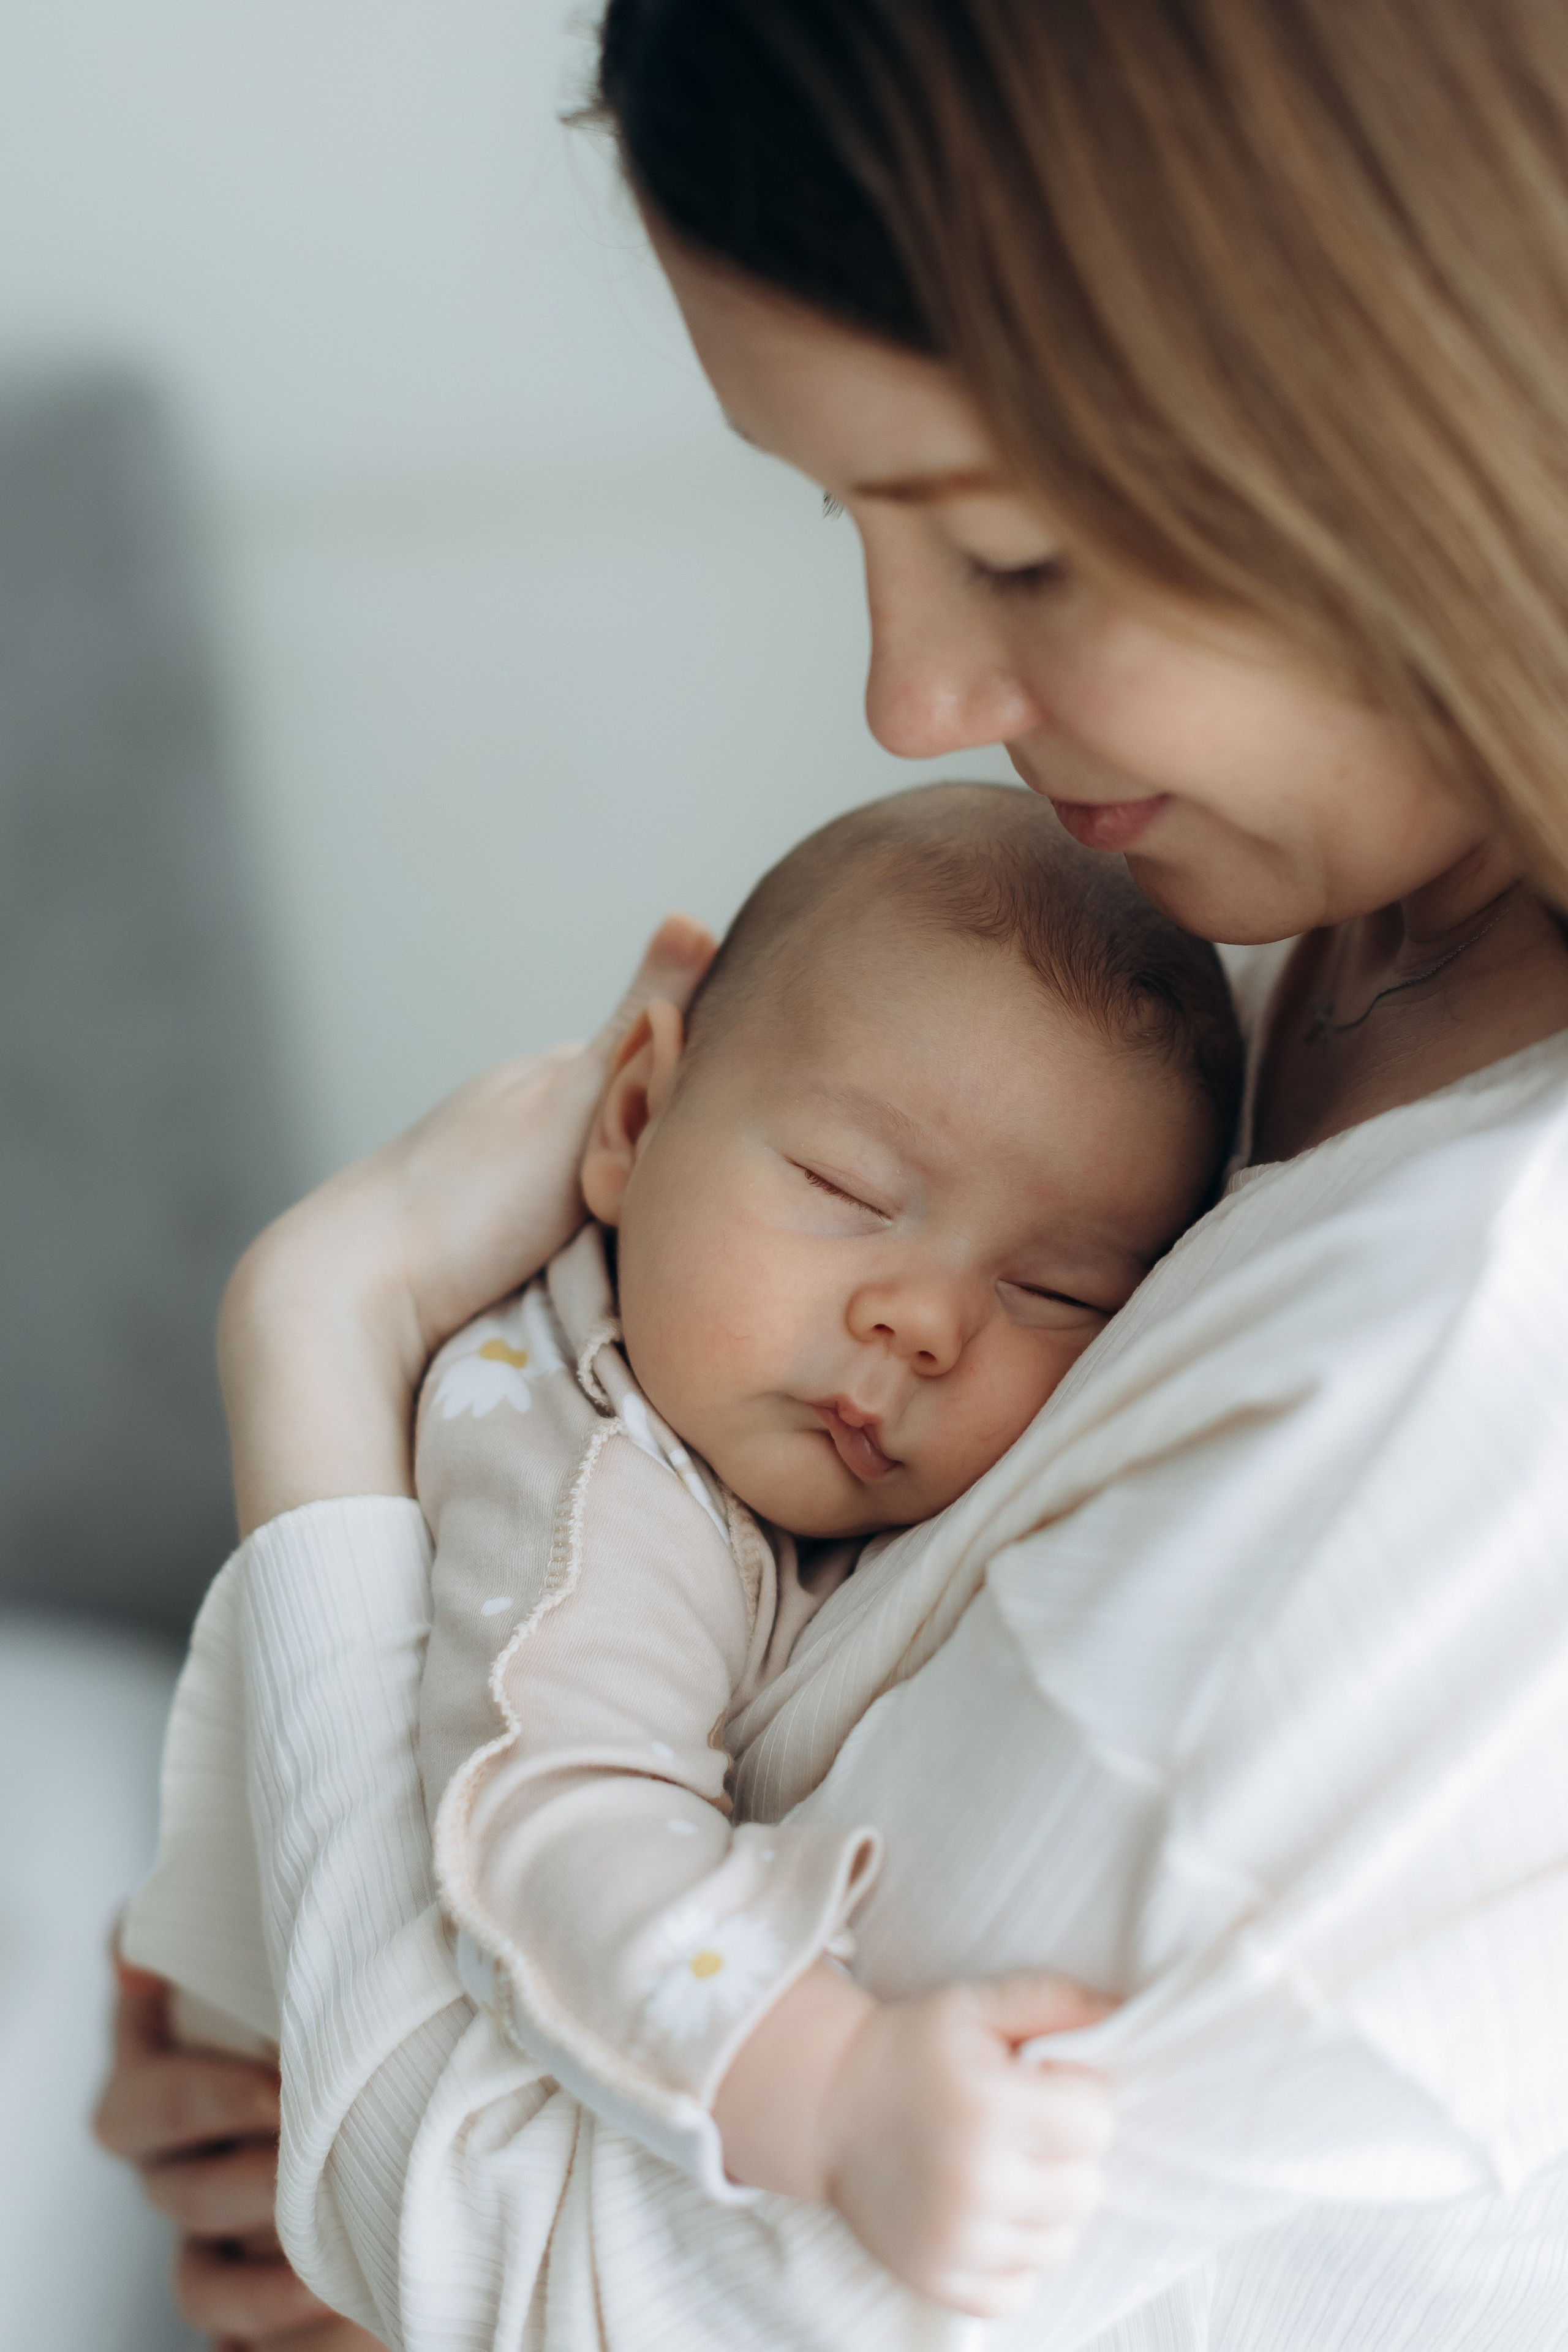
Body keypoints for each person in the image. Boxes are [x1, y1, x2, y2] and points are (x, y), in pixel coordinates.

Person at [96, 2, 1568, 2345]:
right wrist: (276, 1915)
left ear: (1422, 388)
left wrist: (321, 1331)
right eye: (844, 510)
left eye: (1017, 547)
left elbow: (550, 2286)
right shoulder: (1301, 931)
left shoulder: (1474, 1378)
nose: (902, 700)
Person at [120, 782, 1240, 2317]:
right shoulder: (597, 1460)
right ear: (635, 1116)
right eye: (848, 1192)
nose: (925, 1320)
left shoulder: (749, 1441)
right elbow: (559, 1816)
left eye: (1059, 1291)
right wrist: (833, 2092)